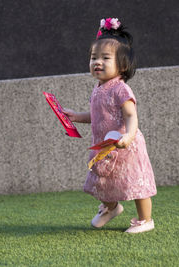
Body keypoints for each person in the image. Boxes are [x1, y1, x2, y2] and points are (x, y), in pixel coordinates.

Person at [63, 18, 157, 233]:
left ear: (122, 65)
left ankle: (146, 219)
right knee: (105, 183)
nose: (97, 62)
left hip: (125, 146)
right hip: (105, 147)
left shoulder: (120, 89)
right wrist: (77, 116)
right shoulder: (98, 88)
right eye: (93, 57)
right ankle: (111, 208)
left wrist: (129, 137)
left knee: (136, 183)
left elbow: (131, 116)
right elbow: (98, 115)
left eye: (105, 58)